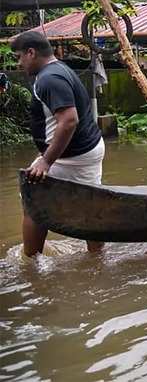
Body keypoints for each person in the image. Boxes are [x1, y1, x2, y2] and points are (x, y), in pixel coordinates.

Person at [10, 31, 105, 256]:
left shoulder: (49, 79)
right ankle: (97, 258)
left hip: (72, 156)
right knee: (89, 204)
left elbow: (69, 120)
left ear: (31, 53)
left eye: (19, 57)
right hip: (84, 150)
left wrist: (46, 161)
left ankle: (30, 264)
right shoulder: (59, 70)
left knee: (34, 198)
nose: (19, 63)